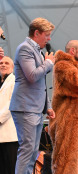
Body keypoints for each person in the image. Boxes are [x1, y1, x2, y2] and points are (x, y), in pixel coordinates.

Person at [9, 17, 56, 174]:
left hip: (35, 108)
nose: (49, 39)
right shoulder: (25, 48)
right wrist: (48, 63)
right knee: (27, 150)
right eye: (47, 35)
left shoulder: (38, 51)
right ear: (37, 33)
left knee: (32, 151)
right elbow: (32, 76)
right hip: (25, 107)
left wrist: (48, 106)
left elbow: (40, 85)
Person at [49, 40, 78, 174]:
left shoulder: (76, 69)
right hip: (67, 122)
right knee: (66, 162)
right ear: (72, 51)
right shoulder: (62, 66)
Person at [0, 56, 18, 174]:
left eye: (7, 63)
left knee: (11, 168)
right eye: (1, 63)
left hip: (10, 135)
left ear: (12, 67)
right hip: (1, 136)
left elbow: (13, 103)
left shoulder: (15, 81)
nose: (3, 65)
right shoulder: (2, 82)